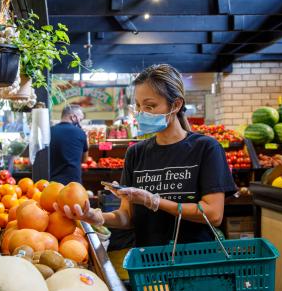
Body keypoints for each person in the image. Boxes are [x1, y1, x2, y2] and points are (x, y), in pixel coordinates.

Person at [55, 64, 237, 247]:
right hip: (147, 263)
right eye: (139, 106)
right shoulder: (136, 153)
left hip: (193, 261)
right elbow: (127, 217)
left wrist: (154, 201)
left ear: (176, 104)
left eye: (150, 106)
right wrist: (97, 217)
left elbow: (214, 214)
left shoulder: (206, 148)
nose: (142, 113)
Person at [49, 105, 89, 184]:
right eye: (80, 120)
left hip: (53, 181)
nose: (80, 123)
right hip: (73, 182)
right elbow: (84, 159)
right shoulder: (80, 132)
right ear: (74, 117)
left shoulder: (49, 131)